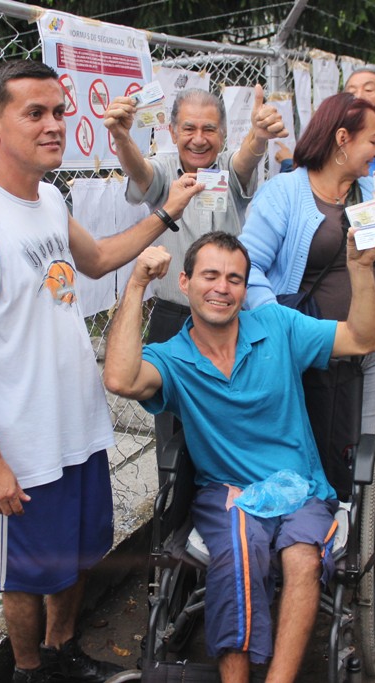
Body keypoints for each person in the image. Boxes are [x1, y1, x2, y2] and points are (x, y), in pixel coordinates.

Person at [0, 59, 204, 683]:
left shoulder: (50, 197)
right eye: (35, 113)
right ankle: (29, 670)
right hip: (20, 445)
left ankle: (62, 654)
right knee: (27, 573)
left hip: (76, 428)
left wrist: (167, 210)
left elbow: (100, 257)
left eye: (58, 111)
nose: (54, 125)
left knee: (79, 554)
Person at [103, 231, 375, 683]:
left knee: (302, 559)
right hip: (227, 491)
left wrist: (361, 268)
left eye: (235, 279)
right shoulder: (173, 358)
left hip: (300, 486)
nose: (222, 288)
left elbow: (362, 339)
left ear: (245, 288)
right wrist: (136, 283)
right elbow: (118, 378)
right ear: (185, 281)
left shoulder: (278, 326)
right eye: (210, 275)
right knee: (238, 550)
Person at [102, 84, 286, 456]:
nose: (199, 139)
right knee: (172, 430)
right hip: (172, 318)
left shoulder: (230, 169)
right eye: (188, 129)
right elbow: (140, 172)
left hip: (226, 316)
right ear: (171, 132)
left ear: (223, 134)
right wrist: (122, 137)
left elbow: (246, 160)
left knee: (230, 422)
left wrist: (259, 137)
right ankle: (176, 507)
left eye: (209, 129)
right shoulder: (164, 172)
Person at [238, 92, 375, 447]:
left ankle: (353, 505)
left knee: (360, 449)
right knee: (310, 446)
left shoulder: (371, 192)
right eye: (372, 140)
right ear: (342, 138)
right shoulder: (285, 193)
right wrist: (279, 322)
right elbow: (246, 266)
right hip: (313, 353)